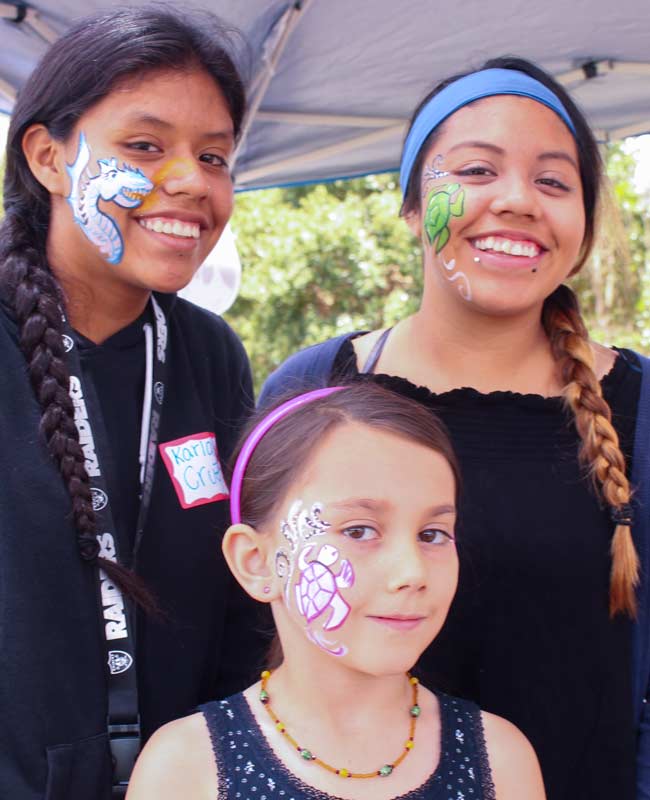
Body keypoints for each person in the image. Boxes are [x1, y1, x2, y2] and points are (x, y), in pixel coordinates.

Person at [259, 57, 650, 800]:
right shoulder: (312, 391)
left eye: (553, 181)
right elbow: (255, 639)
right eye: (476, 171)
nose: (517, 200)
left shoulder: (640, 407)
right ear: (412, 207)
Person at [0, 7, 267, 799]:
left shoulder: (210, 354)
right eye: (146, 146)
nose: (189, 181)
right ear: (48, 156)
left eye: (213, 156)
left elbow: (237, 601)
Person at [126, 382, 546, 800]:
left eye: (432, 534)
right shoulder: (186, 770)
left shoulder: (500, 761)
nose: (412, 571)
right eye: (359, 530)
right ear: (256, 561)